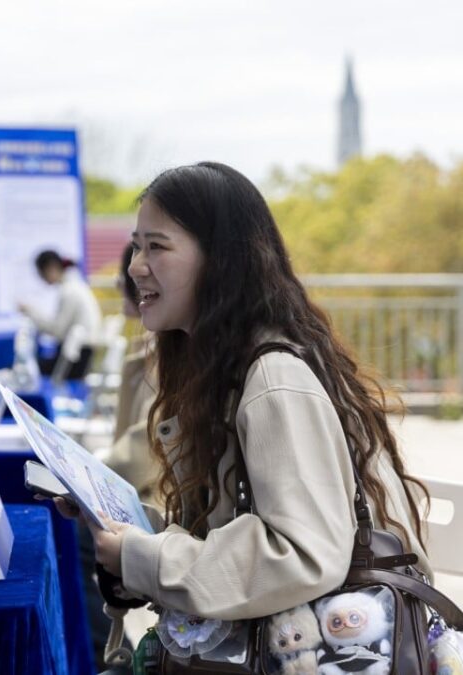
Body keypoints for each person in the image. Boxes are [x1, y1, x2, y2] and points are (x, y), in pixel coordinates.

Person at [64, 162, 431, 672]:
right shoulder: (222, 369)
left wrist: (145, 558)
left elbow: (302, 555)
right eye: (136, 246)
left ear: (219, 261)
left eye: (157, 247)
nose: (135, 266)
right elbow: (233, 529)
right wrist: (132, 536)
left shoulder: (271, 381)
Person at [106, 242, 158, 499]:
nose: (119, 283)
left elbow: (146, 448)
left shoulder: (169, 355)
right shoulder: (152, 345)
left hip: (149, 508)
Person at [19, 250, 103, 380]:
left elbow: (57, 331)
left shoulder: (69, 291)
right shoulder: (75, 286)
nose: (42, 279)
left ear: (50, 269)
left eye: (41, 274)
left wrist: (31, 312)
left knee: (31, 370)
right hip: (81, 353)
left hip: (77, 358)